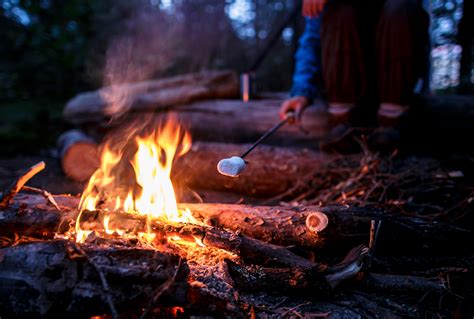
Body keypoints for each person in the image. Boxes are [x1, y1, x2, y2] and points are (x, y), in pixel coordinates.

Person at [279, 0, 430, 152]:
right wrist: (302, 91)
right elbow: (312, 41)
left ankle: (391, 121)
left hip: (395, 83)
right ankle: (342, 121)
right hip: (347, 86)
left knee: (400, 6)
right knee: (338, 10)